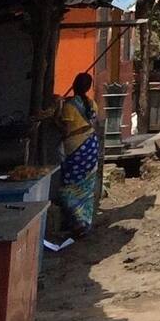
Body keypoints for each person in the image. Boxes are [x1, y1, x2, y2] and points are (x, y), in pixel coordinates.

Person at [50, 73, 101, 241]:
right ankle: (84, 221)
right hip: (91, 146)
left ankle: (77, 221)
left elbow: (64, 130)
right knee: (86, 187)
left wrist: (55, 115)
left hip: (76, 149)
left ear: (74, 85)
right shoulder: (92, 103)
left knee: (68, 187)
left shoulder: (69, 107)